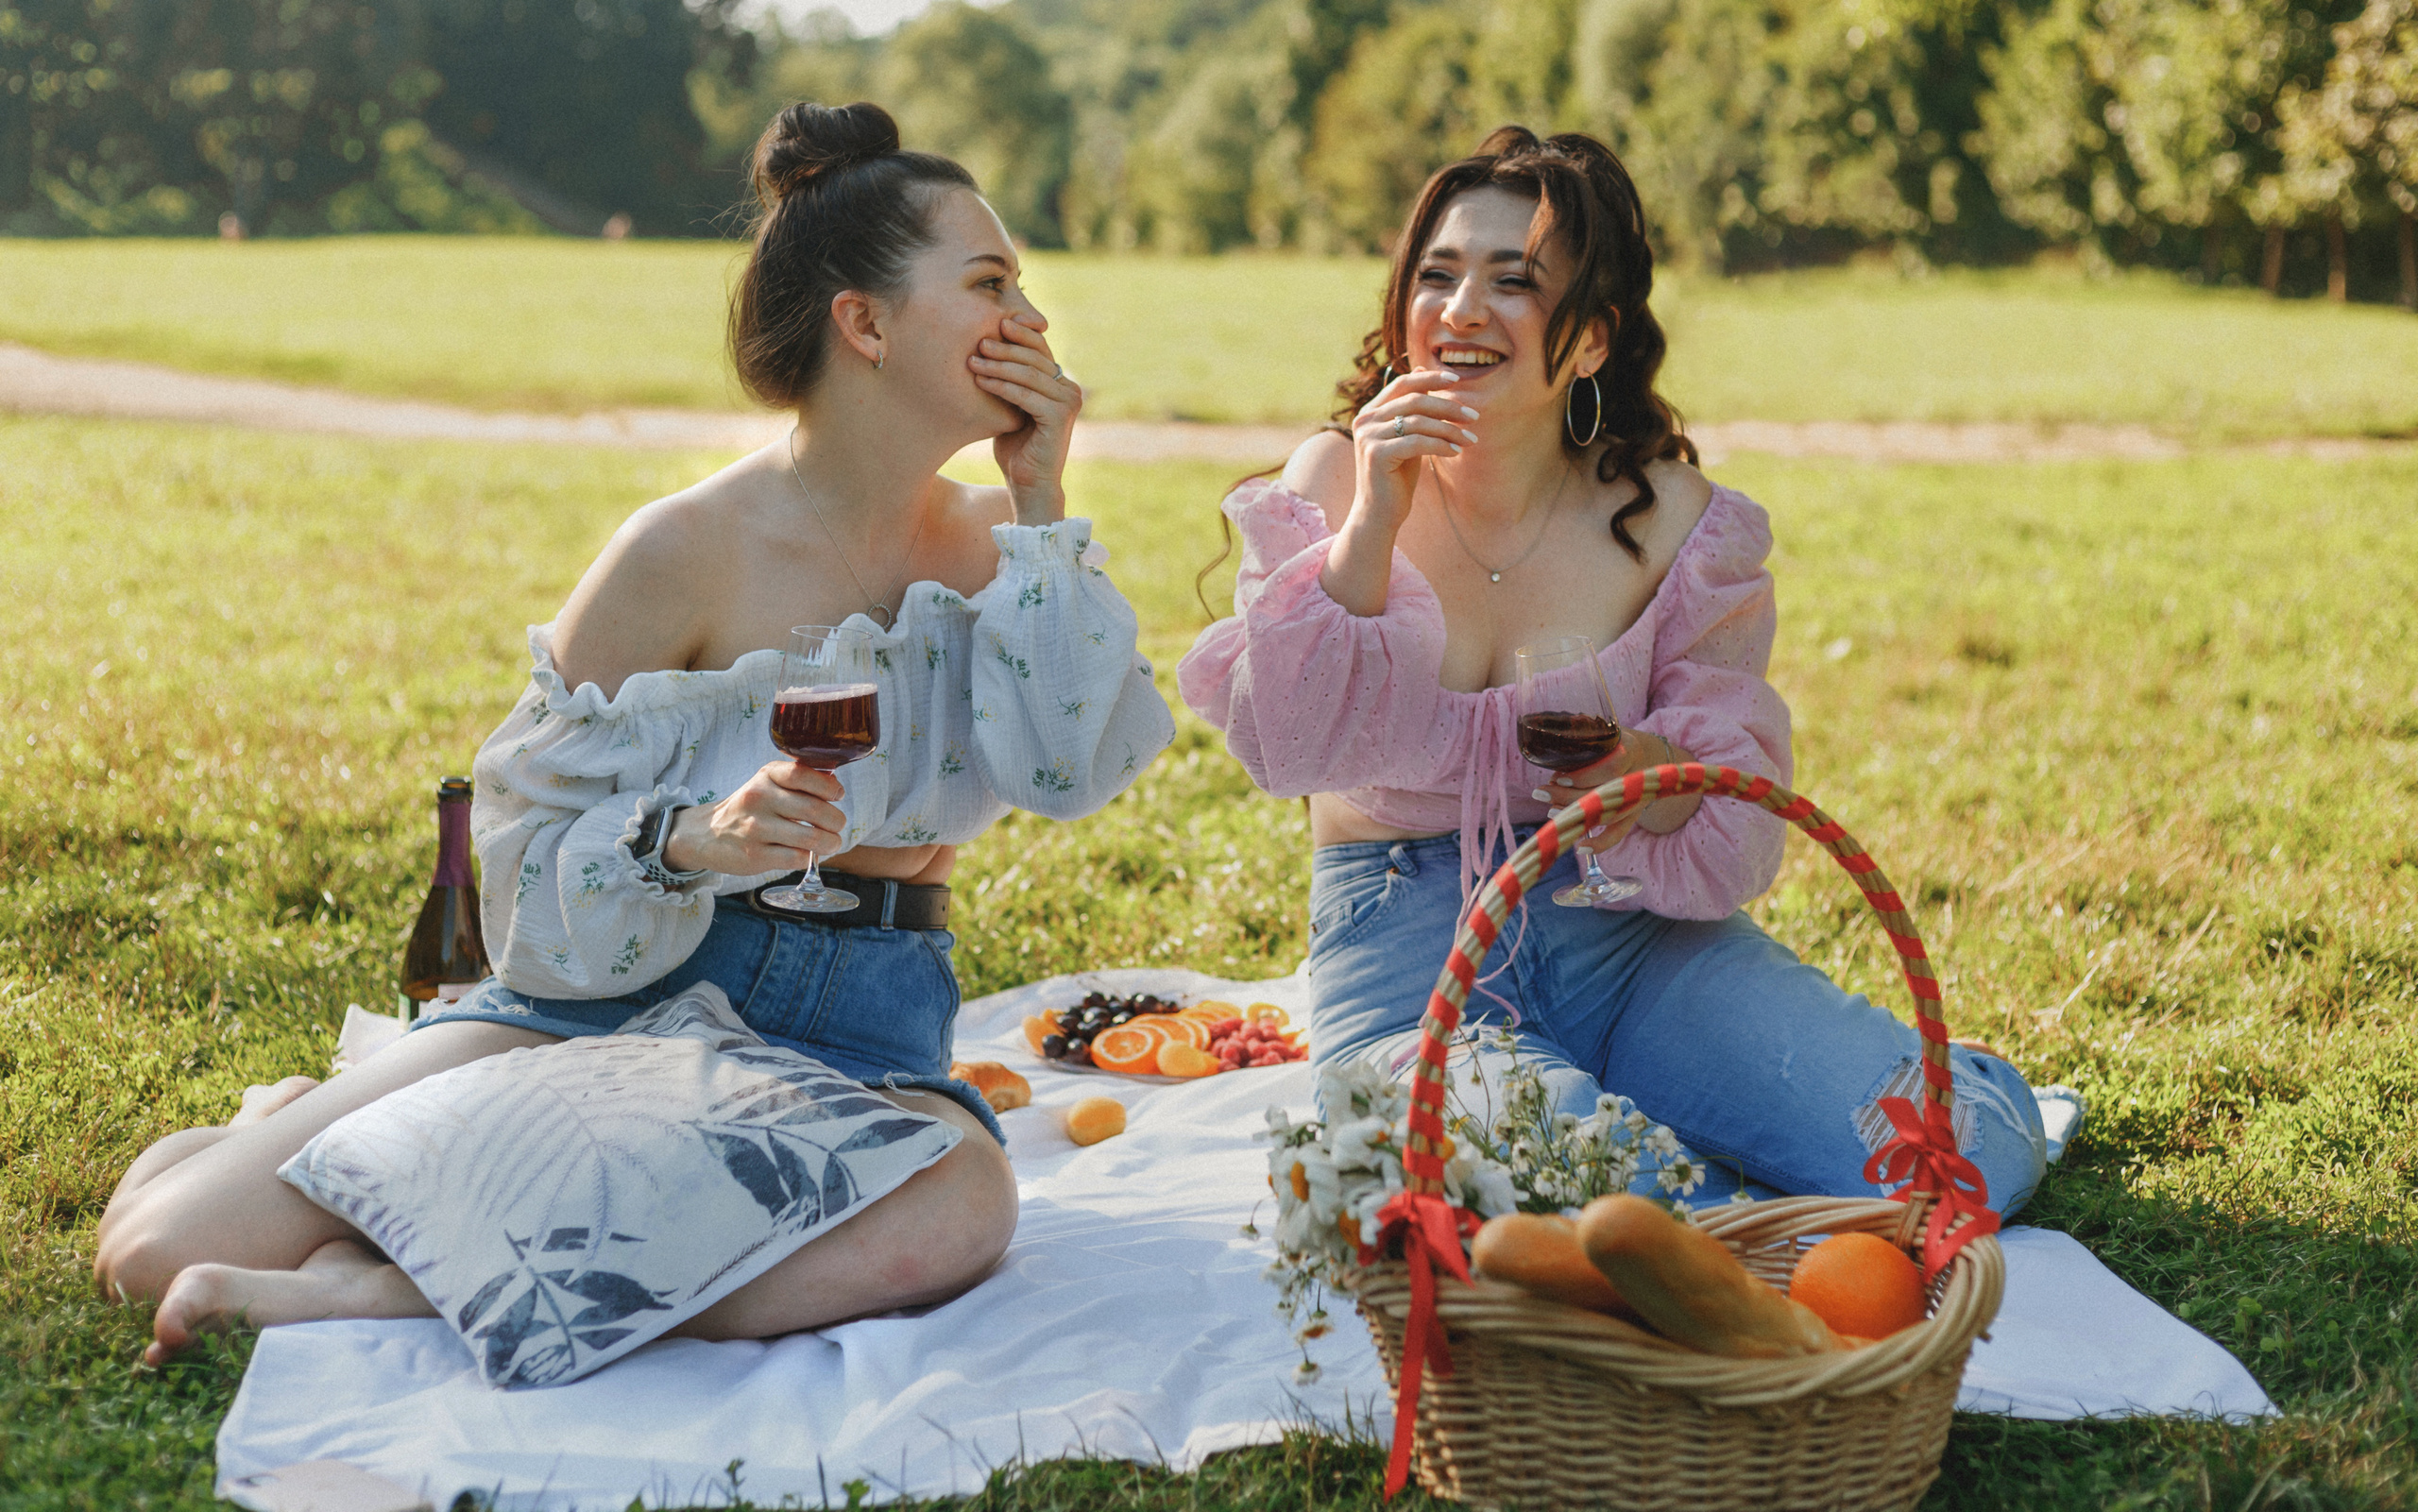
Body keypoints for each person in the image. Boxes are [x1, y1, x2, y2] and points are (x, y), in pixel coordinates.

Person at [94, 102, 1175, 1362]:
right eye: (990, 282)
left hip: (851, 1042)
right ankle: (354, 1154)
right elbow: (517, 869)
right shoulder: (679, 551)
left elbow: (1060, 769)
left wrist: (1044, 497)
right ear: (866, 322)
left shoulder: (1011, 551)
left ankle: (385, 1284)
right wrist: (692, 842)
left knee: (962, 1205)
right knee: (148, 1252)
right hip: (613, 999)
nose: (1032, 322)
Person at [1178, 127, 2046, 1214]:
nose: (1460, 308)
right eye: (1437, 275)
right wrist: (1371, 527)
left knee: (1968, 1156)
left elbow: (1738, 829)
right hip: (1408, 965)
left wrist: (1649, 766)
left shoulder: (1676, 522)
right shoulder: (1336, 477)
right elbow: (1287, 745)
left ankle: (1710, 1093)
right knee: (1616, 1196)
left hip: (1625, 938)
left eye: (1514, 282)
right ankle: (1619, 1133)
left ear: (1589, 340)